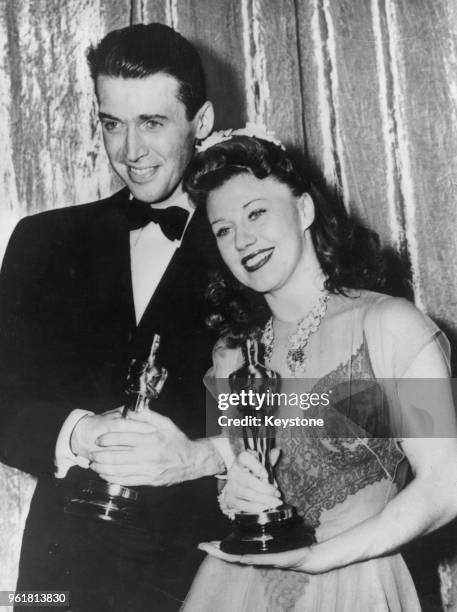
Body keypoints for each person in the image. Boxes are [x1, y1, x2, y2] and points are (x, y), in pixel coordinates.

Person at [0, 23, 229, 612]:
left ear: (200, 122)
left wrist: (204, 456)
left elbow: (373, 403)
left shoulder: (254, 242)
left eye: (153, 122)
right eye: (112, 123)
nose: (130, 151)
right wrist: (77, 432)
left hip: (214, 571)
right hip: (63, 577)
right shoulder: (42, 241)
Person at [180, 131, 457, 611]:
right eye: (223, 229)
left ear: (304, 210)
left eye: (256, 212)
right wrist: (236, 495)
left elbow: (447, 484)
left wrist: (323, 557)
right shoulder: (231, 356)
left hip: (355, 582)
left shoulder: (390, 325)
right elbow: (236, 493)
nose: (242, 239)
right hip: (239, 590)